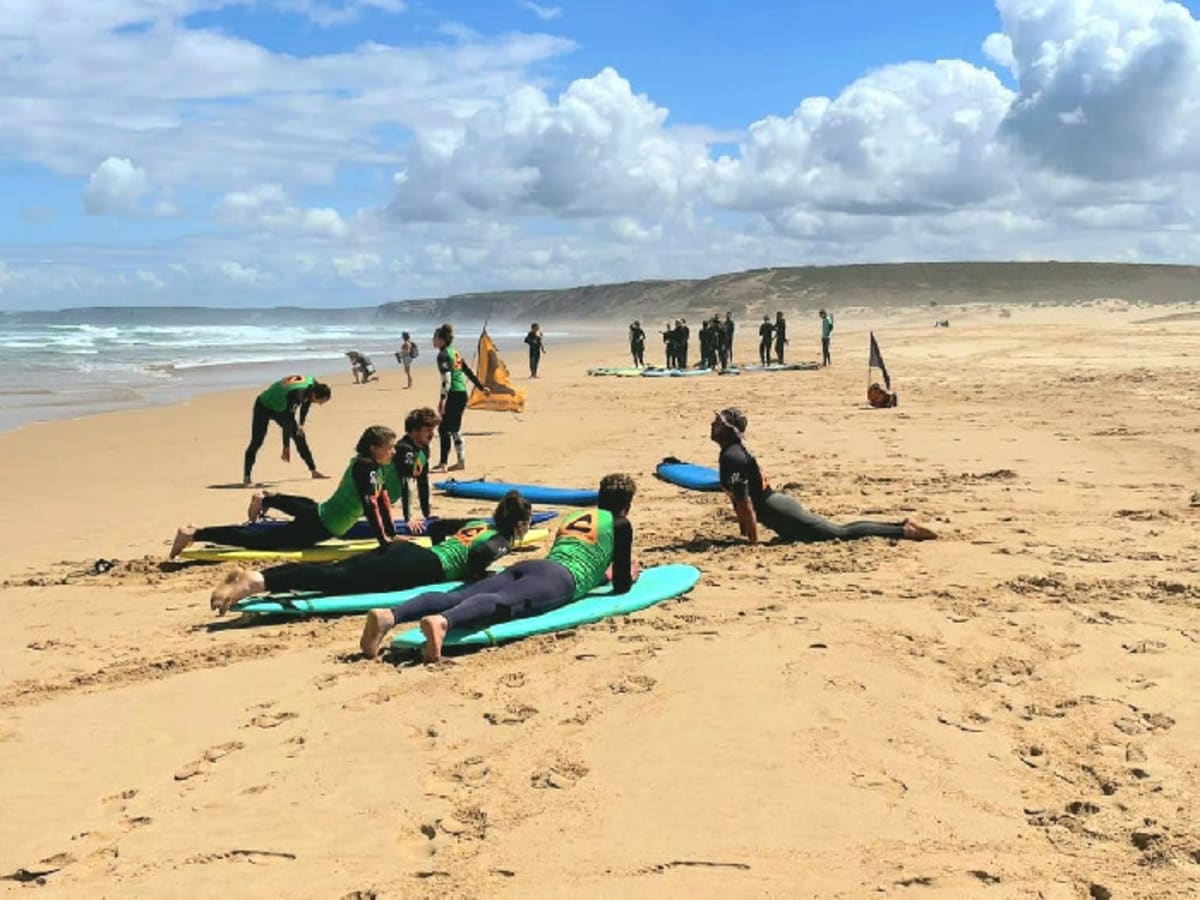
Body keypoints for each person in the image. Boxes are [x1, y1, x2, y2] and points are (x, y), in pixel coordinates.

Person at [359, 473, 637, 662]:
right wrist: (626, 575)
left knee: (456, 595)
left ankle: (390, 616)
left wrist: (602, 571)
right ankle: (443, 623)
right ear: (626, 505)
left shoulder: (575, 515)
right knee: (504, 602)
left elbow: (580, 552)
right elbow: (621, 584)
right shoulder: (620, 524)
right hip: (560, 580)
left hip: (534, 566)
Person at [208, 491, 532, 616]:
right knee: (336, 581)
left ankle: (263, 577)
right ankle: (255, 581)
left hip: (407, 552)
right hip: (417, 567)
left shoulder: (478, 522)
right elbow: (481, 556)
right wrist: (469, 574)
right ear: (518, 524)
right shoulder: (501, 540)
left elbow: (437, 526)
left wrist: (445, 553)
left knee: (337, 569)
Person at [710, 407, 936, 544]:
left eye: (718, 422)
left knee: (839, 532)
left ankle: (904, 530)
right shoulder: (732, 452)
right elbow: (738, 499)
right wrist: (745, 531)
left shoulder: (732, 457)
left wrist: (753, 543)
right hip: (777, 509)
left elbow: (745, 504)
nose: (712, 424)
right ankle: (900, 525)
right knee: (835, 530)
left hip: (779, 511)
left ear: (728, 430)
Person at [174, 425, 399, 557]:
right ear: (374, 448)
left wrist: (392, 534)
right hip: (320, 526)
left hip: (322, 515)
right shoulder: (365, 467)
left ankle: (268, 498)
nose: (394, 452)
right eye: (390, 447)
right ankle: (194, 533)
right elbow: (370, 504)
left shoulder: (371, 466)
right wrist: (384, 542)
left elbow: (383, 501)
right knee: (259, 539)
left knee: (307, 506)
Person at [243, 375, 331, 487]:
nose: (319, 404)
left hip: (281, 408)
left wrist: (301, 424)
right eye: (320, 401)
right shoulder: (297, 394)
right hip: (263, 406)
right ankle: (247, 478)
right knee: (257, 442)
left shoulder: (313, 385)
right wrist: (286, 447)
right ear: (314, 394)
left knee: (299, 437)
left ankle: (313, 471)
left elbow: (307, 402)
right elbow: (287, 422)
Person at [431, 323, 489, 473]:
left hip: (453, 394)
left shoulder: (443, 355)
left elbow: (447, 378)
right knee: (455, 429)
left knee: (444, 429)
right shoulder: (455, 353)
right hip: (461, 393)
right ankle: (460, 461)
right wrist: (481, 387)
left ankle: (444, 464)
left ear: (442, 340)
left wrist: (443, 399)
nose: (433, 340)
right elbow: (468, 371)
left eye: (435, 338)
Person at [384, 406, 439, 535]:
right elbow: (406, 484)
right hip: (370, 498)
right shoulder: (404, 449)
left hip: (384, 501)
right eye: (428, 430)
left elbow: (423, 482)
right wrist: (409, 518)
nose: (432, 434)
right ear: (414, 430)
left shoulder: (423, 448)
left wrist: (427, 514)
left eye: (433, 430)